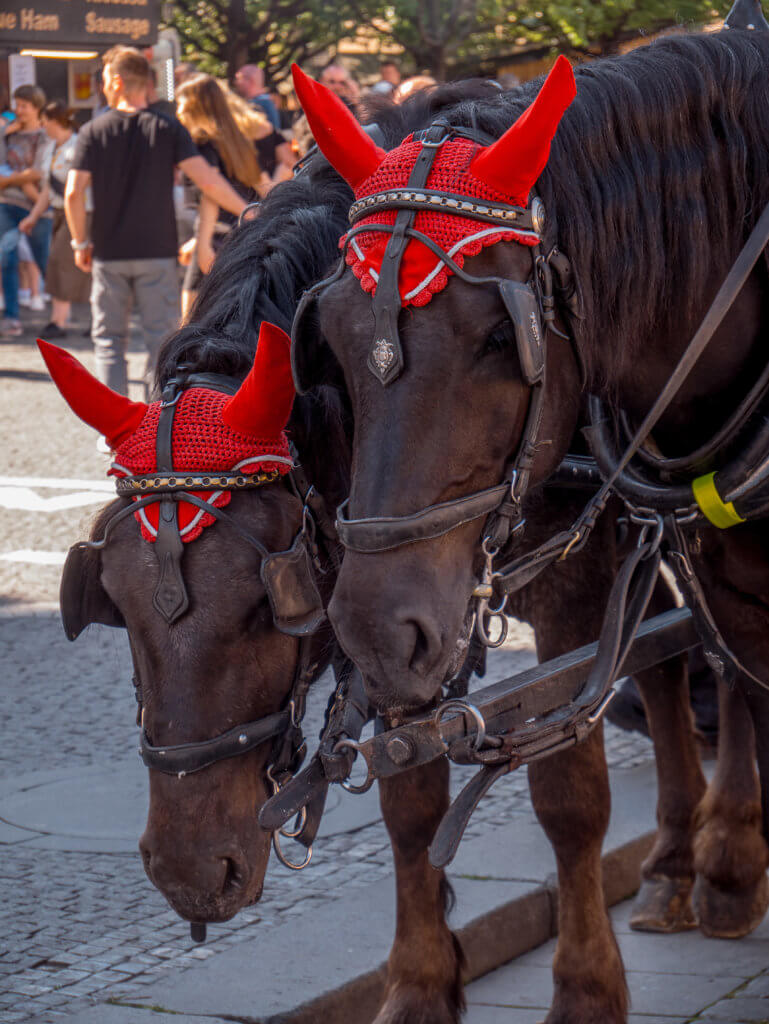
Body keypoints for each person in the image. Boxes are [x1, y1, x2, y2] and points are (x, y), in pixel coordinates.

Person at [65, 46, 248, 407]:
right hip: (157, 252)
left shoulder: (91, 131)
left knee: (109, 340)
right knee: (160, 340)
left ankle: (113, 425)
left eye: (104, 80)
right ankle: (156, 416)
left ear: (117, 82)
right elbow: (208, 181)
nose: (102, 88)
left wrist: (79, 242)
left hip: (109, 251)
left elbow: (73, 192)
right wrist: (247, 210)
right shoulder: (167, 128)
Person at [175, 74, 267, 318]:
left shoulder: (203, 142)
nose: (179, 110)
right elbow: (258, 183)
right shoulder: (238, 141)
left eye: (181, 103)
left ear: (195, 105)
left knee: (190, 320)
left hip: (216, 235)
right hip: (239, 234)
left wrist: (202, 242)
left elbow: (211, 193)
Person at [0, 84, 54, 337]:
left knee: (44, 260)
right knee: (7, 255)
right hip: (8, 203)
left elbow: (39, 172)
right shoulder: (8, 134)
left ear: (36, 107)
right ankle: (11, 316)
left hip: (38, 205)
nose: (19, 110)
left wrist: (10, 179)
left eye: (24, 106)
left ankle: (58, 315)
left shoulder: (45, 137)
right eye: (17, 105)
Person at [39, 100, 91, 338]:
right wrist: (33, 216)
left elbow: (80, 186)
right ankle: (62, 319)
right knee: (65, 264)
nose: (42, 127)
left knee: (64, 261)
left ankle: (60, 320)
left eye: (44, 122)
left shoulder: (78, 143)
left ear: (53, 121)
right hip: (58, 211)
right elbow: (47, 189)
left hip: (79, 210)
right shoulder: (51, 147)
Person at [222, 81, 293, 186]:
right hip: (273, 193)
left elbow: (288, 164)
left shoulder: (221, 138)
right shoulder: (264, 127)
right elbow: (289, 164)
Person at [233, 64, 281, 130]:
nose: (236, 82)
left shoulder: (259, 105)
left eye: (238, 78)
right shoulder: (266, 102)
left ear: (250, 80)